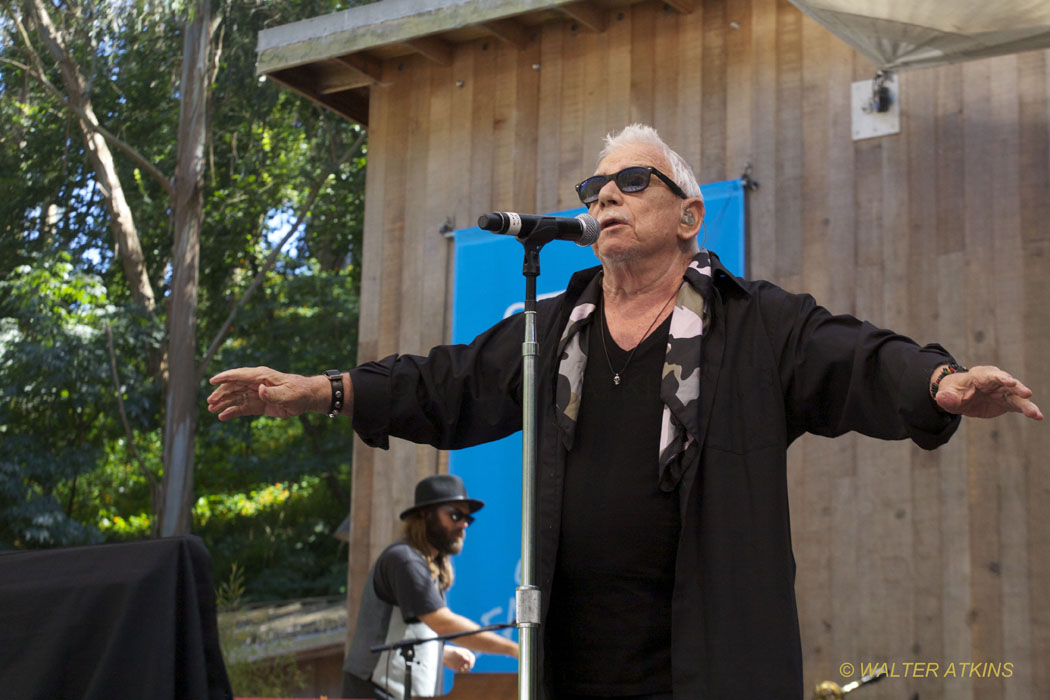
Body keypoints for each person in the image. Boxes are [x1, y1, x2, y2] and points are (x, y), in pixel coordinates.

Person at [207, 124, 1042, 700]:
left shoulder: (754, 326)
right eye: (593, 185)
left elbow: (854, 354)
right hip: (573, 663)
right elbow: (445, 382)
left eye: (632, 179)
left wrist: (941, 382)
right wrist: (325, 389)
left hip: (706, 664)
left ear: (689, 214)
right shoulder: (548, 331)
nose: (606, 193)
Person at [338, 473, 518, 700]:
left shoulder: (424, 564)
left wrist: (442, 653)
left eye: (467, 519)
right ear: (425, 514)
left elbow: (407, 634)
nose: (463, 524)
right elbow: (443, 624)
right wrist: (515, 650)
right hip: (373, 691)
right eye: (455, 515)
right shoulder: (404, 560)